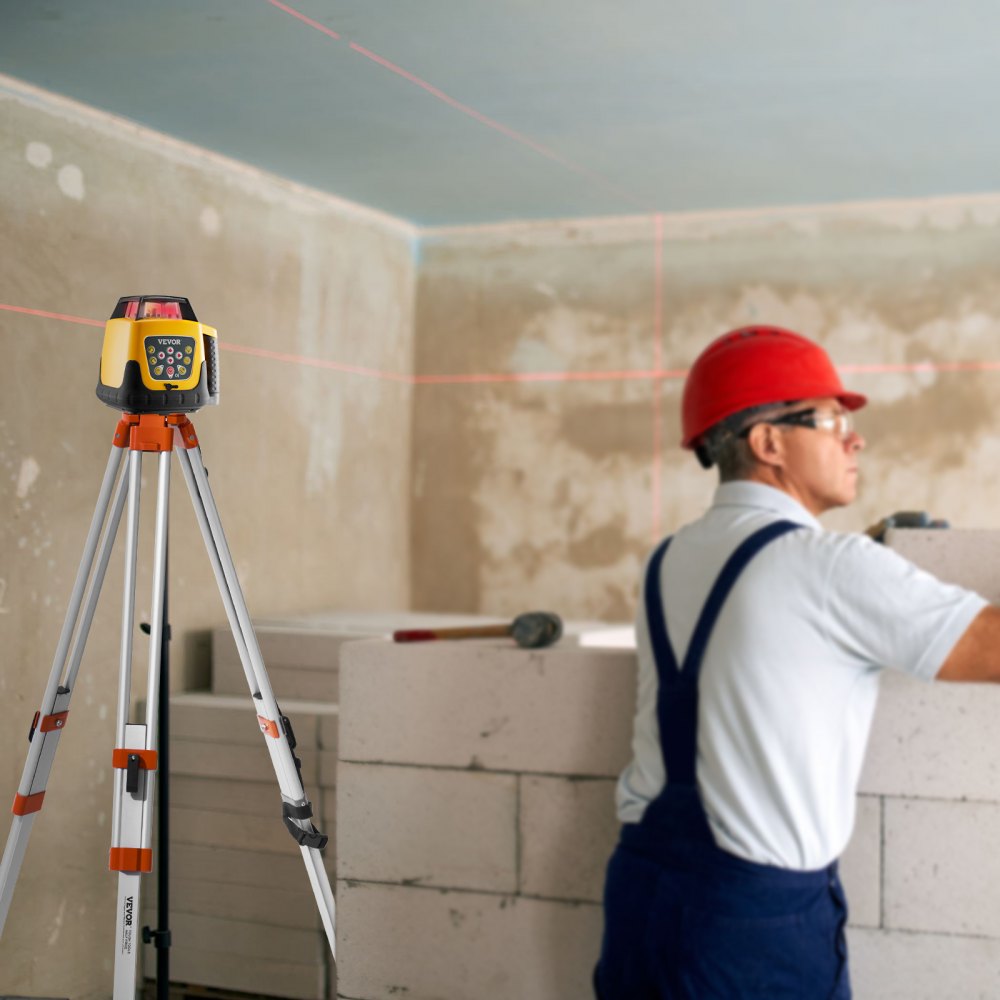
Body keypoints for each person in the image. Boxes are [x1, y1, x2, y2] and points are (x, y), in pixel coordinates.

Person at [593, 325, 1000, 999]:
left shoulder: (667, 560)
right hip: (752, 926)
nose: (855, 438)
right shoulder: (829, 566)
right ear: (768, 442)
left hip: (642, 893)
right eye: (832, 419)